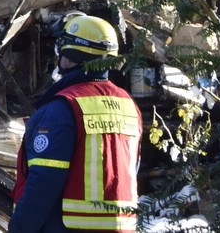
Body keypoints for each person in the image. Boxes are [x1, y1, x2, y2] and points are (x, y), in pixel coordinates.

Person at [10, 13, 142, 233]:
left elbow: (45, 181)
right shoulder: (128, 105)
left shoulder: (62, 108)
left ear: (70, 57)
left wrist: (19, 227)